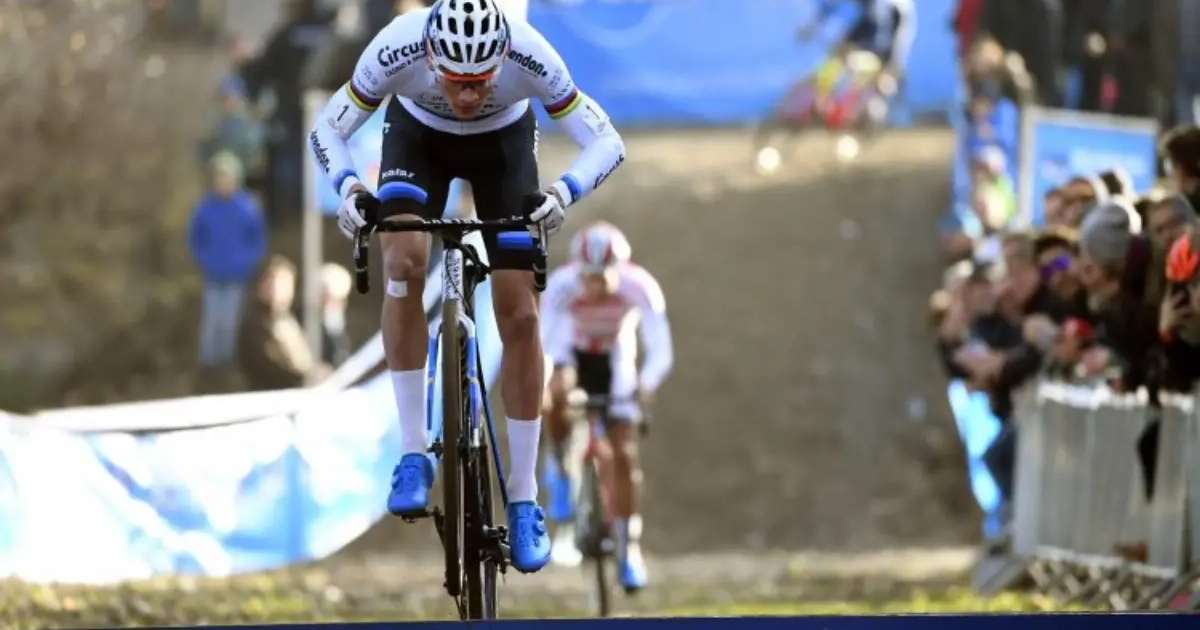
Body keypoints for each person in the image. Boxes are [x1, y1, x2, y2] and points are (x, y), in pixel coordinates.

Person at [308, 0, 626, 574]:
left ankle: (524, 497)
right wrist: (349, 187)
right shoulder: (397, 45)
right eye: (455, 81)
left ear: (502, 59)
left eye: (481, 81)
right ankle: (413, 451)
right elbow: (327, 127)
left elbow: (607, 142)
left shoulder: (531, 54)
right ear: (431, 58)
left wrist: (563, 193)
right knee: (404, 261)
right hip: (417, 142)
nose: (468, 96)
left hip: (504, 150)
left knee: (520, 312)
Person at [537, 221, 673, 591]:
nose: (594, 286)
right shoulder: (561, 285)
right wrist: (546, 387)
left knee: (624, 454)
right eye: (588, 276)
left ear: (620, 270)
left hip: (616, 356)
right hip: (571, 350)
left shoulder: (639, 286)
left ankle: (629, 549)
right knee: (556, 390)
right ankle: (559, 469)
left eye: (602, 277)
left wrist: (646, 385)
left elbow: (660, 348)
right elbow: (542, 344)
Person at [188, 152, 268, 375]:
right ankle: (208, 365)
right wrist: (205, 260)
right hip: (213, 275)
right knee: (211, 320)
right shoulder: (205, 207)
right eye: (219, 178)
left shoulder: (247, 207)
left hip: (237, 275)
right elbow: (195, 238)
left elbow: (257, 239)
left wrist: (247, 262)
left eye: (227, 177)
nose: (223, 182)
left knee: (230, 321)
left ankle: (226, 364)